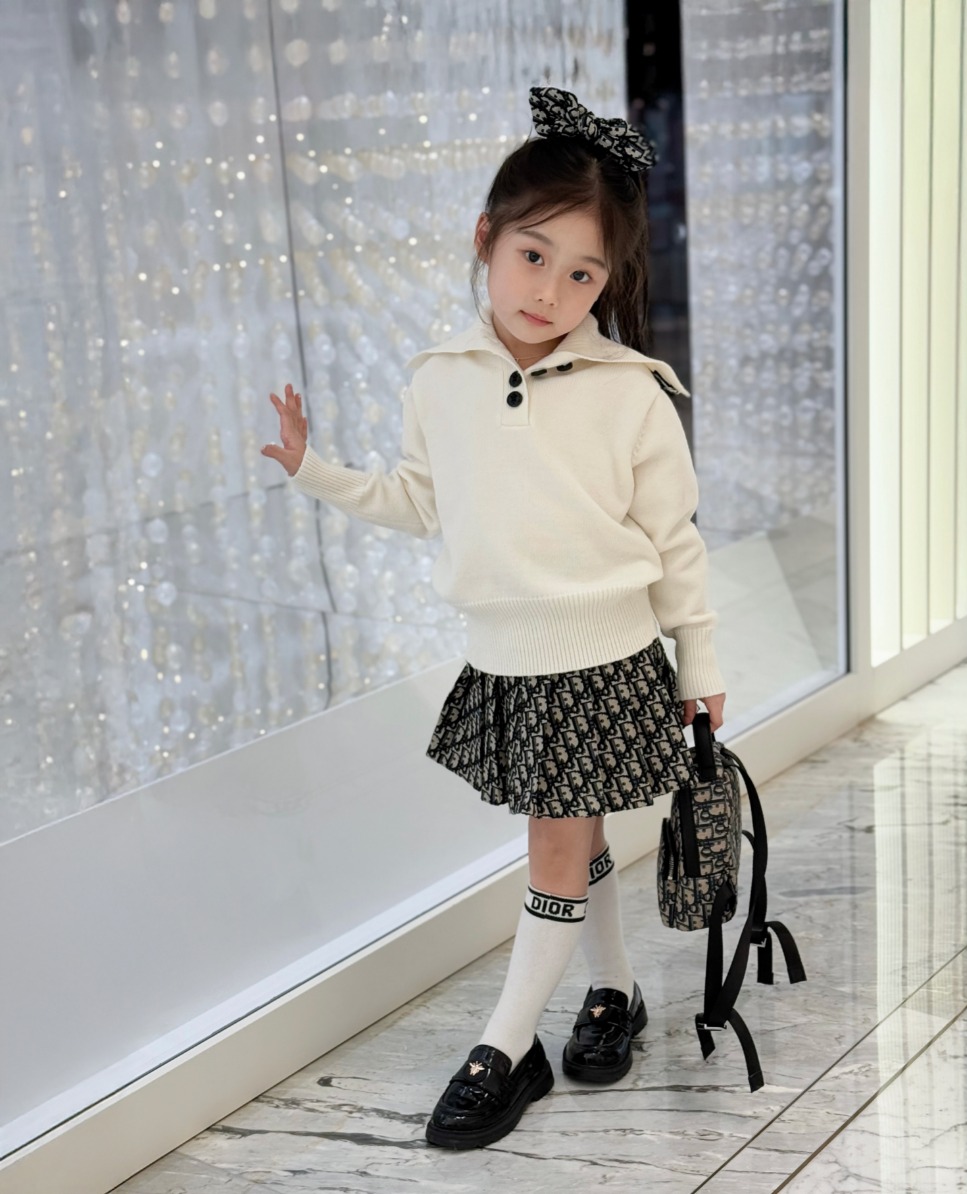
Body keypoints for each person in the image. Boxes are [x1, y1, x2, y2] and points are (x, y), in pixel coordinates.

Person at [261, 85, 727, 1151]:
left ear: (608, 282)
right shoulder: (441, 380)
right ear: (486, 240)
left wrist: (700, 660)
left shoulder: (632, 392)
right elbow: (418, 500)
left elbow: (676, 541)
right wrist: (314, 470)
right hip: (506, 665)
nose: (552, 290)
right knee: (576, 836)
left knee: (554, 847)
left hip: (605, 663)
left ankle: (506, 1049)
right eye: (533, 255)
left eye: (583, 273)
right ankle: (613, 992)